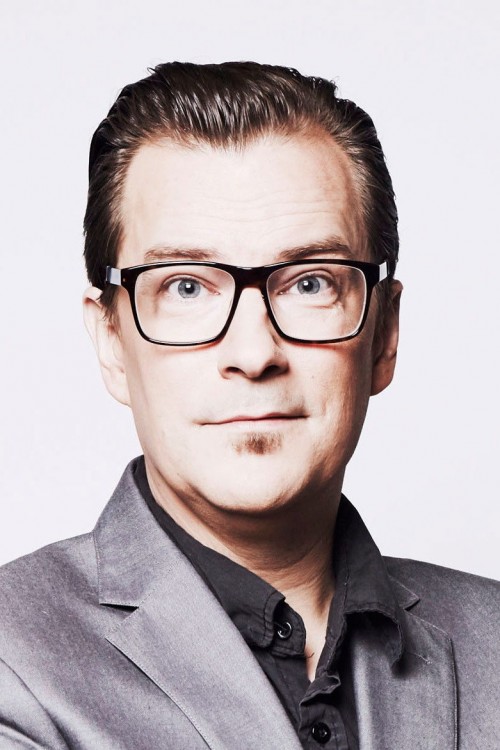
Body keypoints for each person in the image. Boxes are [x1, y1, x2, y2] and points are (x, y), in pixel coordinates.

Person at [0, 61, 498, 750]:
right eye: (185, 287)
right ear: (112, 341)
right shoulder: (13, 667)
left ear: (384, 334)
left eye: (311, 282)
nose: (253, 352)